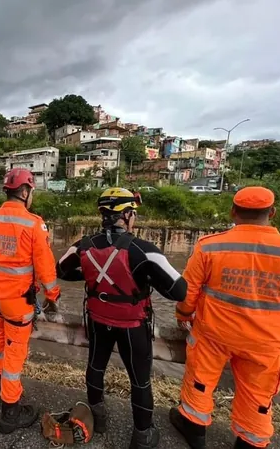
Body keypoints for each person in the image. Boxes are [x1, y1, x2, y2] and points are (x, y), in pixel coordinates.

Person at [170, 186, 280, 449]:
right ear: (272, 213)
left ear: (233, 212)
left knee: (200, 381)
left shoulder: (211, 246)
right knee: (257, 396)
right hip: (267, 342)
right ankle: (250, 441)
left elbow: (189, 290)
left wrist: (183, 314)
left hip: (214, 333)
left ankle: (194, 430)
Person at [56, 187, 188, 448]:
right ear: (126, 215)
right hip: (132, 326)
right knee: (139, 380)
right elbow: (179, 290)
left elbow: (60, 269)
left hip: (97, 320)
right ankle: (142, 436)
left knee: (96, 367)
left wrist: (93, 276)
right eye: (134, 214)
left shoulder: (83, 245)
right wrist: (145, 279)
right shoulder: (144, 251)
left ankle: (99, 418)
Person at [0, 167, 61, 434]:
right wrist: (52, 297)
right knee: (14, 354)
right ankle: (9, 413)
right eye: (31, 191)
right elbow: (46, 270)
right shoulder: (34, 224)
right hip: (17, 303)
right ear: (25, 192)